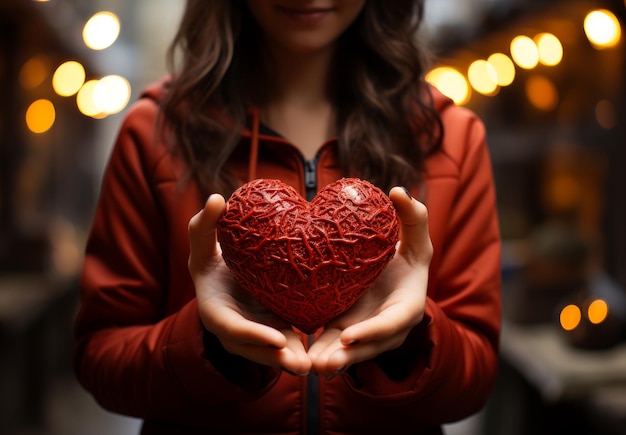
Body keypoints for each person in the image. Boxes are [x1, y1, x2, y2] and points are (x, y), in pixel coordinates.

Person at [73, 1, 501, 434]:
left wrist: (408, 337)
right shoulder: (152, 133)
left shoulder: (451, 136)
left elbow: (478, 377)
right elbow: (100, 359)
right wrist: (206, 342)